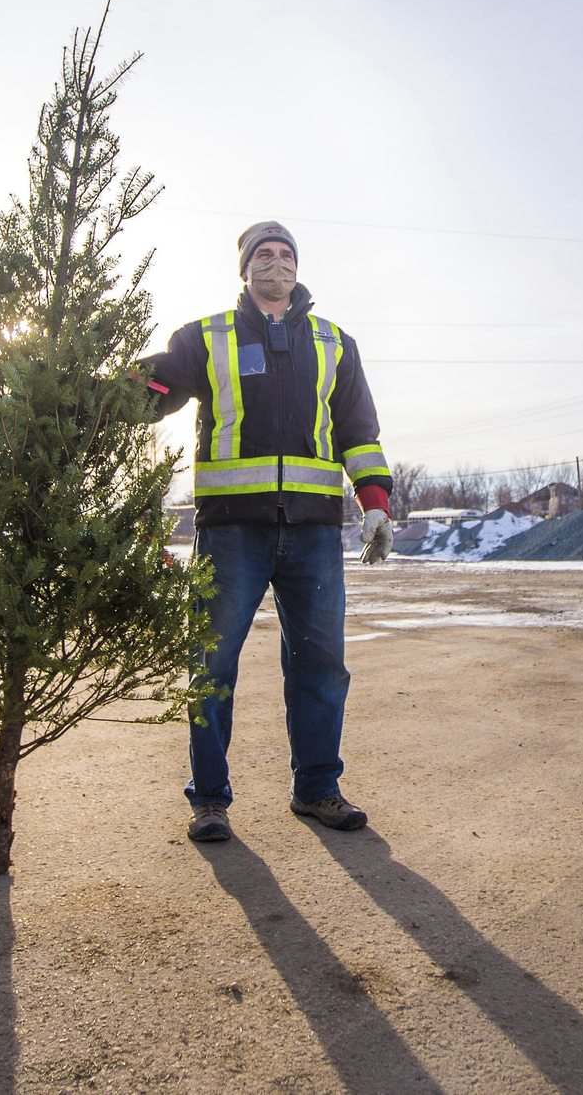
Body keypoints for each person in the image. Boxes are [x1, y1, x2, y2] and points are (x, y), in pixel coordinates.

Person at [140, 221, 394, 844]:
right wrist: (85, 394)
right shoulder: (206, 337)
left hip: (312, 532)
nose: (275, 265)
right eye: (263, 256)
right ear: (244, 269)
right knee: (213, 661)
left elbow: (358, 432)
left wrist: (375, 502)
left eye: (285, 256)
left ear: (298, 269)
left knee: (322, 665)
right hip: (232, 531)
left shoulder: (335, 343)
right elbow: (156, 389)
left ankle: (317, 789)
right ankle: (209, 800)